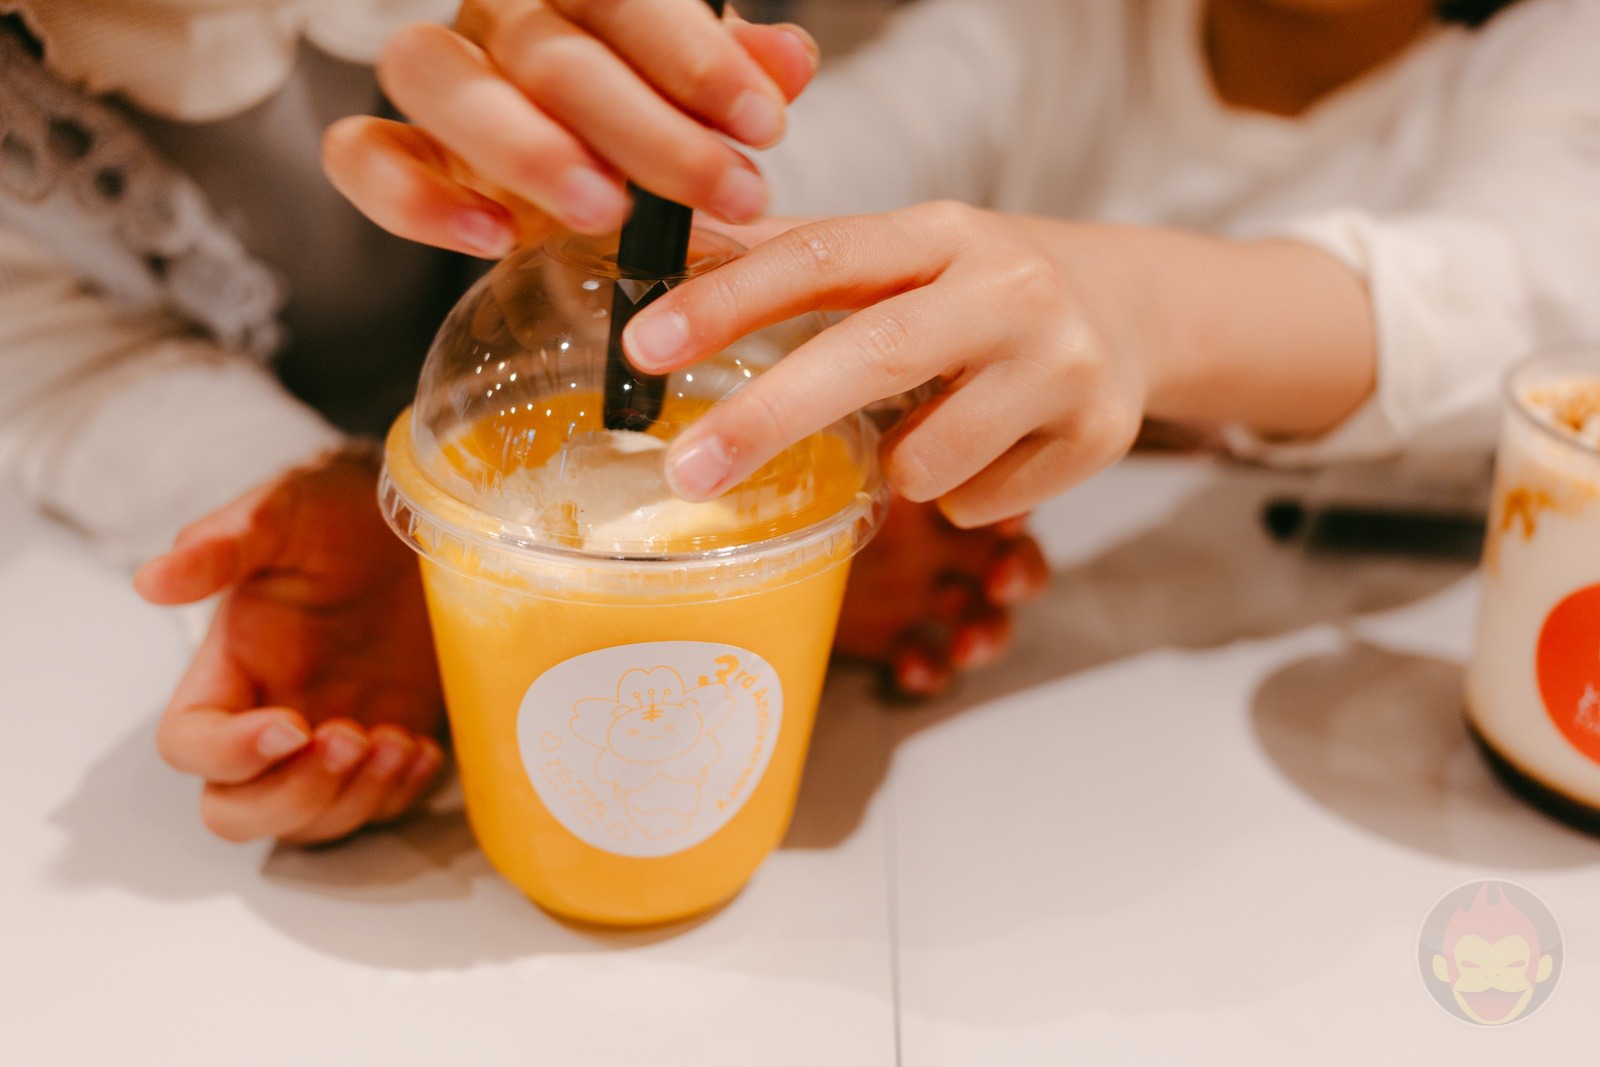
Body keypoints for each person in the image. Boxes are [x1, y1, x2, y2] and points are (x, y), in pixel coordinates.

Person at [0, 0, 1043, 846]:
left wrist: (782, 466)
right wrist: (322, 495)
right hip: (417, 499)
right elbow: (55, 352)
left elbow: (779, 165)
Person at [325, 0, 1600, 532]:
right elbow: (815, 195)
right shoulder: (1057, 25)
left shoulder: (1549, 56)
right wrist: (599, 180)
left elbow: (1499, 298)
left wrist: (1123, 307)